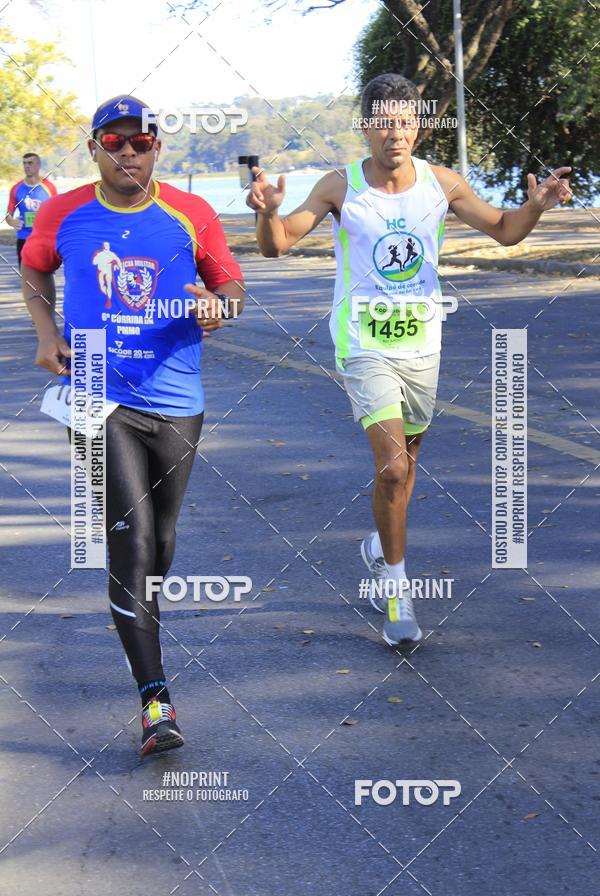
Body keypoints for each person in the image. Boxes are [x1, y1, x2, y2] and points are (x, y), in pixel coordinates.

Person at [247, 72, 570, 648]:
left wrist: (536, 205)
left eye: (404, 121)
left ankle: (380, 545)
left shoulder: (442, 184)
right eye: (383, 122)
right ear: (366, 128)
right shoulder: (339, 186)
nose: (394, 132)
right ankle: (397, 590)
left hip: (422, 345)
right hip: (363, 343)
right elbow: (279, 244)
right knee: (394, 467)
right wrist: (268, 212)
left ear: (417, 127)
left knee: (406, 465)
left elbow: (505, 232)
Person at [22, 95, 245, 754]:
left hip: (176, 396)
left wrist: (219, 309)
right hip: (95, 387)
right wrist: (45, 332)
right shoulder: (63, 212)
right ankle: (155, 701)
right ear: (94, 148)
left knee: (161, 543)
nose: (127, 152)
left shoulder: (191, 213)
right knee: (134, 540)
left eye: (139, 142)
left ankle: (137, 607)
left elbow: (232, 288)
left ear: (156, 149)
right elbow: (33, 264)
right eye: (113, 142)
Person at [6, 153, 57, 269]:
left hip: (44, 238)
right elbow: (8, 215)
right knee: (25, 274)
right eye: (24, 163)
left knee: (45, 273)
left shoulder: (49, 187)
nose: (26, 166)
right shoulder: (16, 188)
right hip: (23, 237)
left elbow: (57, 213)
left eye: (30, 163)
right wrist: (11, 221)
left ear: (38, 165)